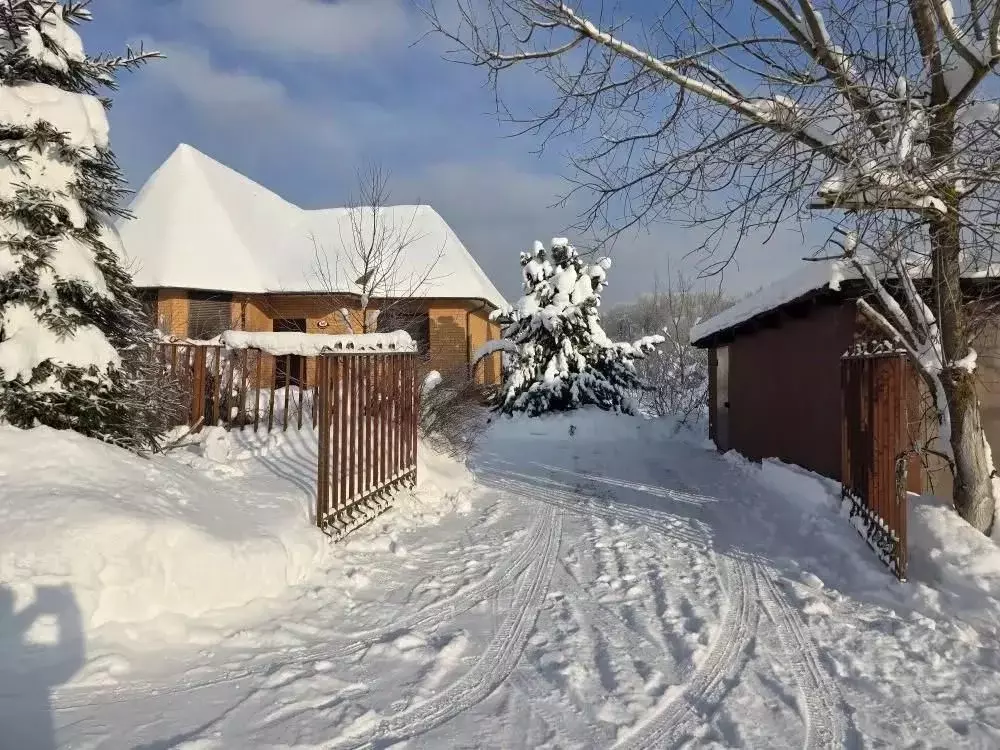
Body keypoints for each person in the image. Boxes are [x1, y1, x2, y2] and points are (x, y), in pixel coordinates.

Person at [0, 584, 84, 750]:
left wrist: (35, 609)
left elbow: (7, 633)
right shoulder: (27, 673)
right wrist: (67, 609)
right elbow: (72, 660)